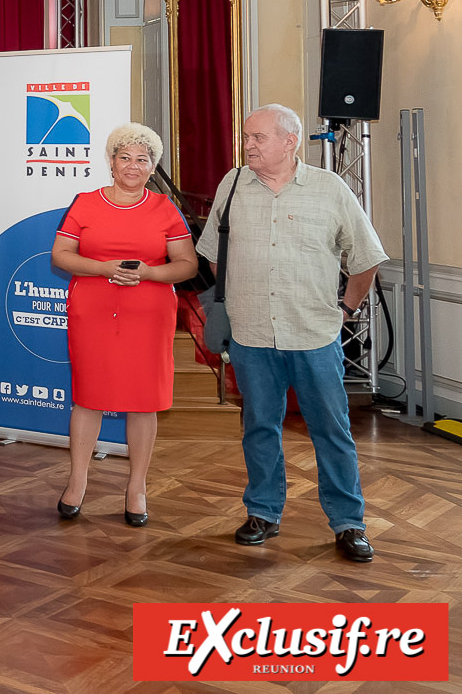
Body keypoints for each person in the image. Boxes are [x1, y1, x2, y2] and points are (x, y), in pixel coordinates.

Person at [196, 104, 386, 562]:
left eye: (258, 137)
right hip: (251, 334)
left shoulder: (330, 188)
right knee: (259, 427)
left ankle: (349, 523)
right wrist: (241, 295)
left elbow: (366, 257)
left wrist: (345, 309)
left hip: (314, 335)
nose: (248, 145)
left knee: (332, 430)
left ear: (289, 141)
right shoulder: (233, 183)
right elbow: (214, 255)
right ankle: (262, 512)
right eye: (246, 136)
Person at [50, 123, 197, 526]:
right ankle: (77, 481)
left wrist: (149, 273)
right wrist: (101, 268)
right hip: (93, 311)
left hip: (147, 314)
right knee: (89, 396)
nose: (133, 166)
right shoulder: (85, 203)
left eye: (143, 159)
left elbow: (188, 265)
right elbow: (60, 255)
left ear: (152, 167)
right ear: (111, 162)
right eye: (125, 157)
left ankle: (137, 486)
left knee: (143, 399)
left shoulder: (165, 209)